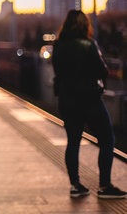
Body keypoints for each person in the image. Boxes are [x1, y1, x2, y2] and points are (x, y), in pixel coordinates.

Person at [52, 10, 126, 199]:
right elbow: (102, 70)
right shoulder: (89, 44)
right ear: (85, 25)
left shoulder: (58, 45)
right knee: (107, 139)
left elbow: (58, 70)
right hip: (89, 99)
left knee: (73, 142)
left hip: (67, 100)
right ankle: (104, 186)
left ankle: (76, 185)